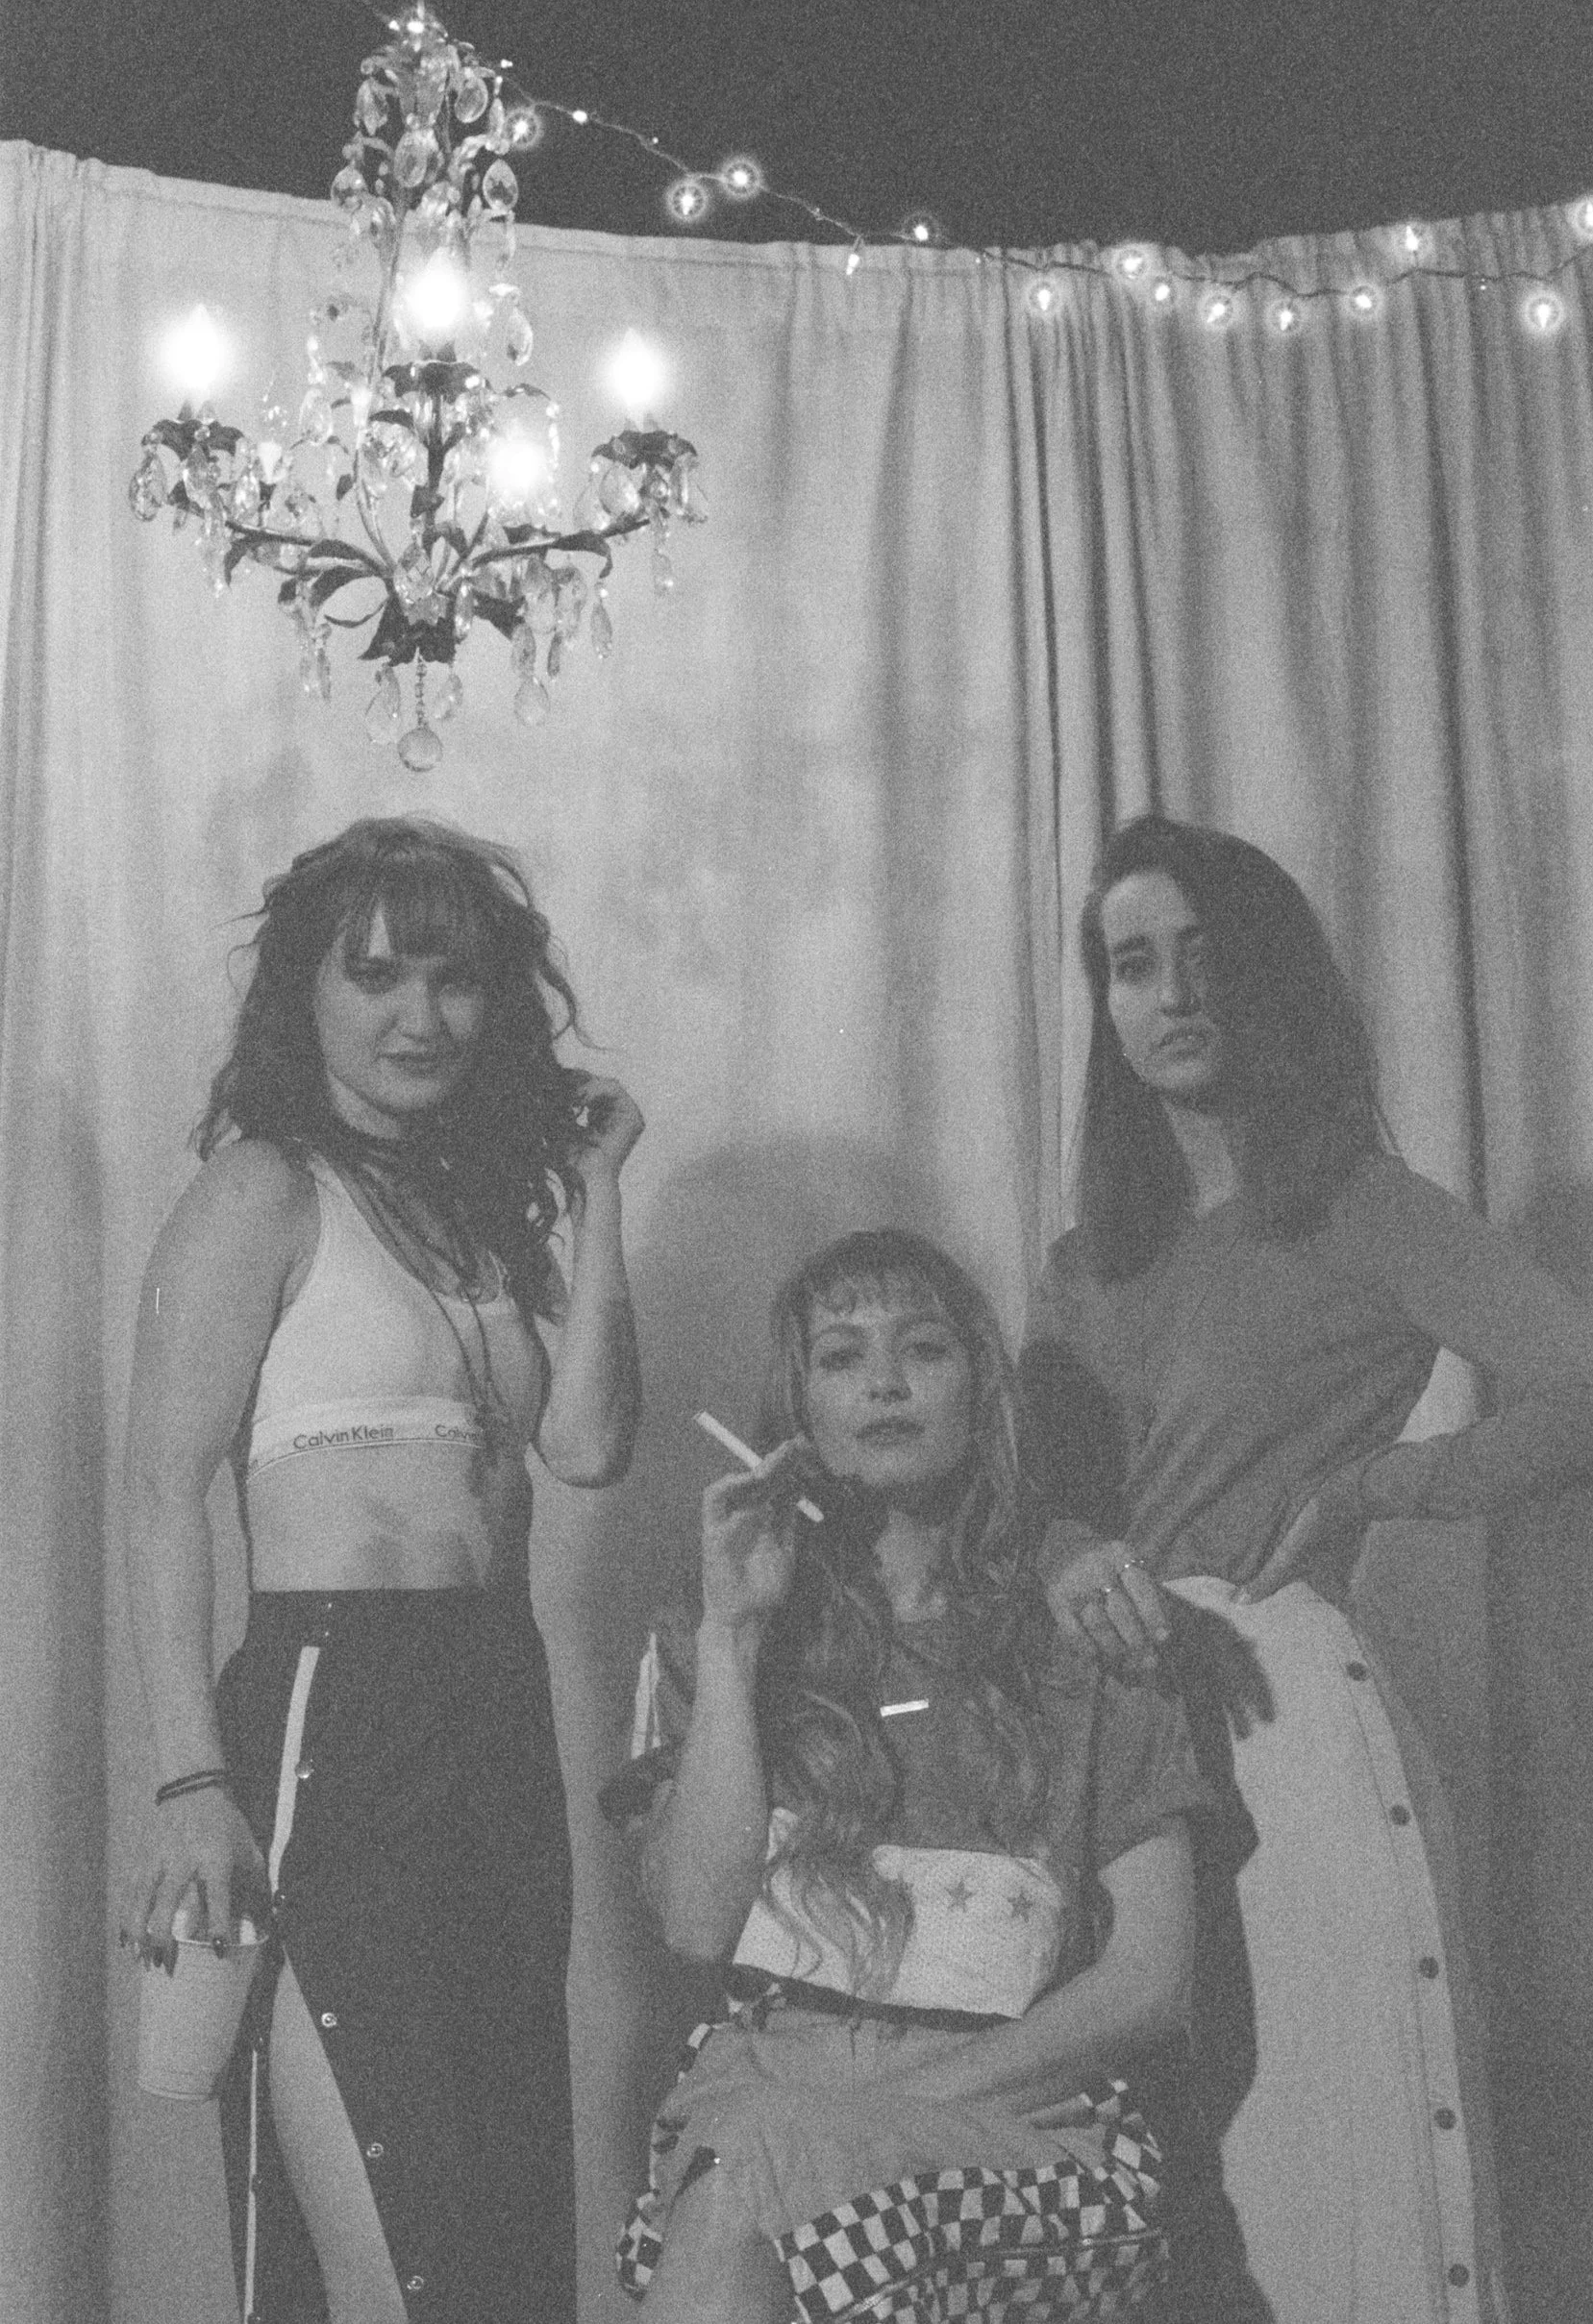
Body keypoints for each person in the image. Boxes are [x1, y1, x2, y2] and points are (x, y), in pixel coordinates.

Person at [1020, 811, 1593, 2324]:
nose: (1171, 993)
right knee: (1130, 2203)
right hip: (1104, 1742)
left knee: (1312, 2169)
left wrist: (1377, 1487)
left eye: (1204, 955)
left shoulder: (1361, 1206)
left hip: (1280, 1728)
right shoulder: (1088, 1262)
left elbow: (1583, 1385)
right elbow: (1036, 1504)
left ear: (1267, 975)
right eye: (1132, 965)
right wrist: (1069, 1551)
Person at [121, 816, 643, 2324]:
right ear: (308, 993)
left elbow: (590, 1444)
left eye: (455, 978)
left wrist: (600, 1190)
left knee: (492, 2233)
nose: (422, 1015)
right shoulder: (263, 1193)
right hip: (330, 1713)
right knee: (395, 2250)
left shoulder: (479, 1213)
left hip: (492, 1713)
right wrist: (189, 1782)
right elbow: (158, 1493)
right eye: (377, 976)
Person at [603, 1228, 1215, 2324]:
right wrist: (733, 1640)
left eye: (923, 1349)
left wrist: (869, 2112)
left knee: (759, 2167)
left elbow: (1151, 1983)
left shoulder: (1087, 1624)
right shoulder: (722, 1628)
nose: (884, 1381)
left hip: (1020, 2132)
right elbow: (695, 1925)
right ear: (799, 1406)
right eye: (842, 1357)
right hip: (764, 2100)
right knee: (754, 2167)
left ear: (980, 1388)